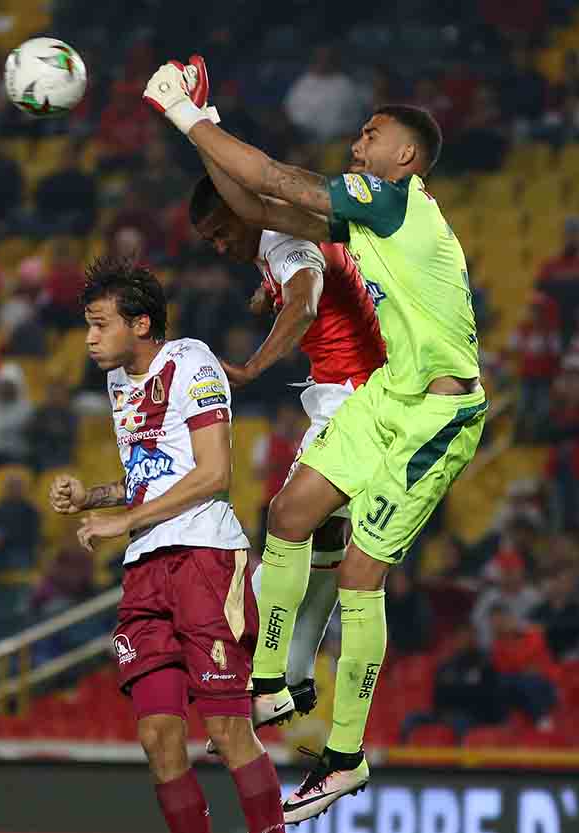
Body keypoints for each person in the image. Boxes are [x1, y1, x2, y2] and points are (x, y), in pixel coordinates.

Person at [149, 57, 486, 819]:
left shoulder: (394, 200)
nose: (358, 139)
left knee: (362, 577)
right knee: (290, 515)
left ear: (405, 156)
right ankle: (272, 680)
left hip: (438, 411)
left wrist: (182, 115)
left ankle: (342, 757)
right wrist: (201, 131)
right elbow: (257, 200)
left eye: (373, 133)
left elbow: (272, 176)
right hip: (390, 393)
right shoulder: (368, 215)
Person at [46, 259, 284, 833]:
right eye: (87, 325)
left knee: (228, 734)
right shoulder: (116, 384)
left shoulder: (192, 362)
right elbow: (151, 473)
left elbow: (212, 474)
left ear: (142, 323)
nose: (90, 338)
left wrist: (121, 519)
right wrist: (94, 498)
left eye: (101, 325)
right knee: (156, 736)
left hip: (205, 557)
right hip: (146, 570)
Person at [188, 172, 387, 729]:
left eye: (221, 232)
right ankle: (294, 674)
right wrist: (265, 292)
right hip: (355, 394)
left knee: (285, 521)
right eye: (209, 241)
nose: (220, 246)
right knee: (323, 539)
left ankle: (253, 670)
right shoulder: (269, 241)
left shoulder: (284, 242)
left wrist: (251, 368)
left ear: (243, 212)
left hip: (355, 401)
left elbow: (303, 302)